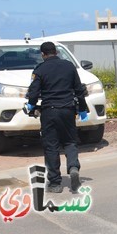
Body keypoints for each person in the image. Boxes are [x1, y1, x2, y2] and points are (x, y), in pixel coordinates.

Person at [25, 41, 89, 193]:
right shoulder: (69, 66)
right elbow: (79, 90)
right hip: (68, 110)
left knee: (51, 146)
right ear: (56, 52)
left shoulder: (40, 69)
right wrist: (82, 109)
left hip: (49, 112)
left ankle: (55, 183)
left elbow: (33, 92)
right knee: (70, 142)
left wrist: (31, 105)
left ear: (43, 54)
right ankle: (73, 167)